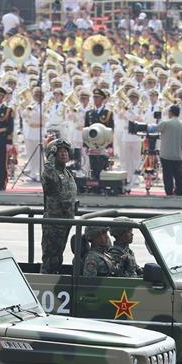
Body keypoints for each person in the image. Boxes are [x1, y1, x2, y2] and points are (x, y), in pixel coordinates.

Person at [40, 139, 77, 274]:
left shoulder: (67, 173)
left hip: (66, 221)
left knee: (58, 257)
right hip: (53, 223)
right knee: (50, 259)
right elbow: (48, 172)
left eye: (65, 151)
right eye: (59, 152)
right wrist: (50, 155)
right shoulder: (50, 172)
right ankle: (45, 283)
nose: (64, 154)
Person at [155, 105, 182, 196]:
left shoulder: (166, 123)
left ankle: (169, 193)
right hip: (178, 154)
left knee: (167, 176)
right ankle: (180, 192)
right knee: (178, 175)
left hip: (166, 154)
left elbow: (155, 129)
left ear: (170, 113)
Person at [84, 88, 114, 182]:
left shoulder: (108, 113)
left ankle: (102, 183)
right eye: (94, 97)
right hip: (92, 144)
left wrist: (110, 146)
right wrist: (85, 145)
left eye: (98, 98)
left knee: (103, 164)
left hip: (103, 143)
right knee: (93, 164)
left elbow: (111, 130)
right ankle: (94, 182)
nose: (95, 100)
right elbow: (86, 129)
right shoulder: (89, 113)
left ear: (102, 99)